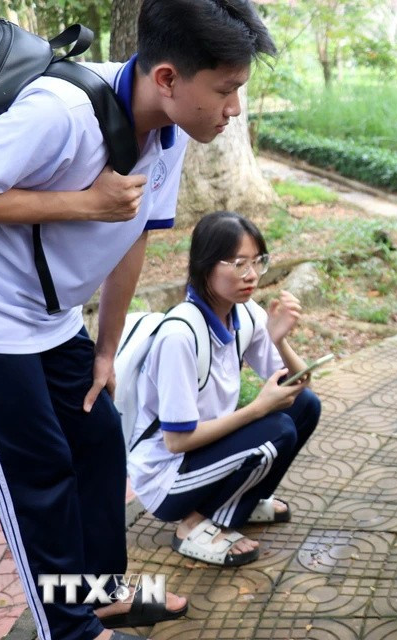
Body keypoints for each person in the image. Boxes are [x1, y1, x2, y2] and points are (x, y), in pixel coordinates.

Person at [0, 2, 276, 639]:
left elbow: (133, 239)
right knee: (42, 476)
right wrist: (83, 203)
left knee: (98, 443)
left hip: (52, 322)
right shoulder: (61, 111)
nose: (233, 110)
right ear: (168, 78)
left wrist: (106, 350)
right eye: (225, 92)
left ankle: (101, 592)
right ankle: (71, 630)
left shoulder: (168, 133)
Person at [127, 211, 321, 567]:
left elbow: (299, 384)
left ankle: (242, 501)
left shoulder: (242, 313)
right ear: (205, 267)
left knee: (305, 407)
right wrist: (257, 410)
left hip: (204, 454)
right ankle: (195, 524)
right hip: (167, 478)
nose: (251, 276)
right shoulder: (180, 336)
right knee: (274, 432)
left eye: (257, 262)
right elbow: (177, 441)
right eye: (238, 264)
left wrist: (279, 341)